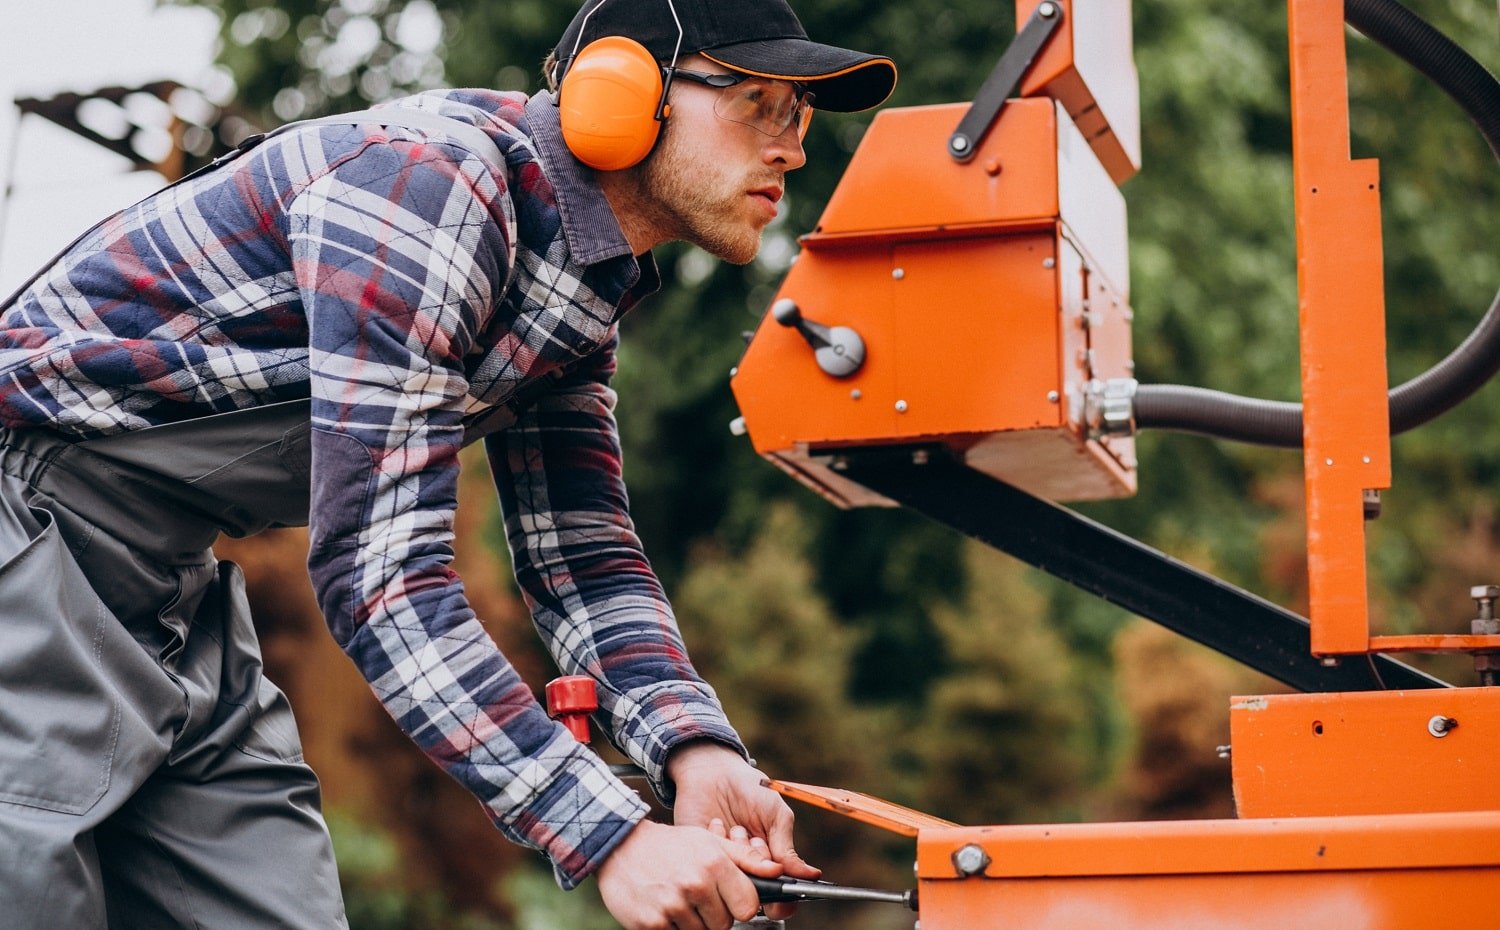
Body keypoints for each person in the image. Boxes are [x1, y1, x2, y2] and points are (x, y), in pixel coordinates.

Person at [0, 0, 894, 928]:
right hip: (25, 538)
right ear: (622, 95)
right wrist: (610, 835)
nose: (792, 148)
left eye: (802, 114)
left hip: (167, 584)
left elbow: (582, 558)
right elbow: (380, 572)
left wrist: (693, 751)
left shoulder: (578, 290)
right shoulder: (427, 189)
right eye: (758, 102)